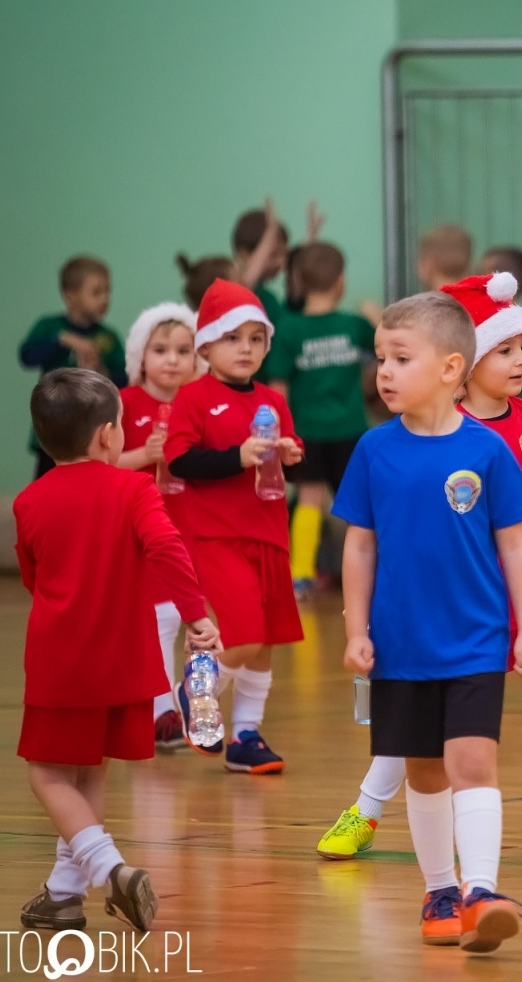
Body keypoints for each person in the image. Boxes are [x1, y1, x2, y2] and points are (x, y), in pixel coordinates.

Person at [334, 291, 522, 953]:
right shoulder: (372, 450)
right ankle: (440, 889)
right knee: (424, 772)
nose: (384, 372)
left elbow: (516, 543)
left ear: (452, 368)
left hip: (476, 640)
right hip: (399, 644)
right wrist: (356, 630)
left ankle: (482, 891)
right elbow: (360, 544)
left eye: (400, 357)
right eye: (380, 359)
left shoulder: (487, 451)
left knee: (472, 762)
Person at [14, 369, 219, 933]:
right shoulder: (134, 489)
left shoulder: (29, 501)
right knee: (88, 771)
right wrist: (196, 613)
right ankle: (63, 893)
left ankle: (110, 869)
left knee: (49, 775)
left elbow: (33, 578)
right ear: (108, 436)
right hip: (123, 661)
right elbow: (167, 547)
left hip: (62, 661)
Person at [164, 279, 305, 775]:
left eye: (255, 338)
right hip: (216, 535)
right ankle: (197, 689)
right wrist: (237, 456)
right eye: (232, 338)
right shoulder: (194, 398)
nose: (245, 348)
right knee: (242, 636)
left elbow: (286, 455)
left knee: (265, 640)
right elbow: (179, 459)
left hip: (268, 533)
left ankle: (245, 735)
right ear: (205, 346)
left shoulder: (271, 399)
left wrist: (288, 452)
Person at [266, 242, 377, 598]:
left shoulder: (288, 330)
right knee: (359, 504)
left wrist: (280, 433)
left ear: (297, 282)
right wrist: (376, 316)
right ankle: (371, 574)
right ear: (341, 282)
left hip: (307, 432)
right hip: (350, 431)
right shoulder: (354, 325)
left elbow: (277, 388)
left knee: (310, 499)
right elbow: (394, 345)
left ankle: (300, 575)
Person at [117, 302, 203, 749]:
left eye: (183, 350)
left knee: (195, 621)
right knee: (162, 619)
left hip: (191, 525)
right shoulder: (125, 402)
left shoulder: (197, 403)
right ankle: (160, 713)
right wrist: (145, 456)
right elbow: (105, 462)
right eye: (161, 349)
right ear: (140, 357)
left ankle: (182, 705)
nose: (172, 359)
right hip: (143, 529)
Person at [18, 256, 126, 477]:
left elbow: (124, 380)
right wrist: (62, 339)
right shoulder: (50, 327)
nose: (105, 298)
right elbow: (27, 356)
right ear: (70, 295)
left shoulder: (108, 337)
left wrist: (100, 371)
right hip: (53, 429)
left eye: (107, 291)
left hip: (92, 433)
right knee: (47, 487)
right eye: (96, 292)